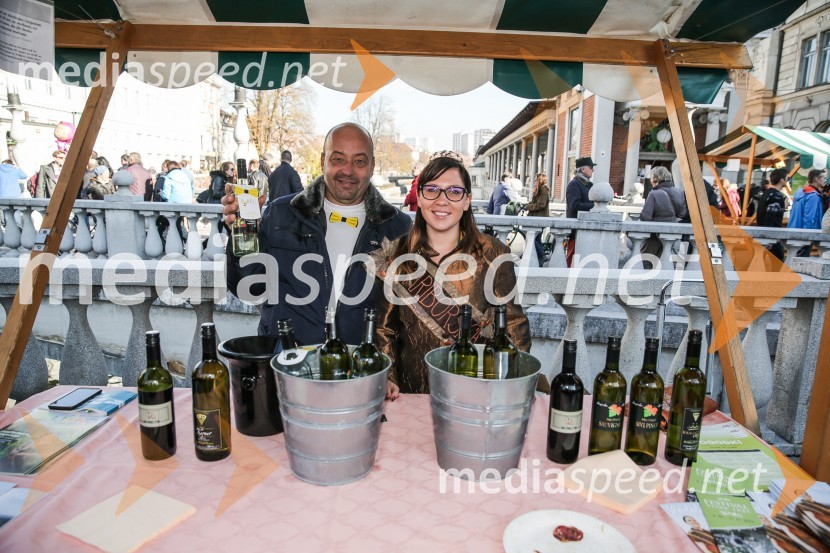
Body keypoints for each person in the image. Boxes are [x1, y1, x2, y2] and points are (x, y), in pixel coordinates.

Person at [224, 123, 412, 398]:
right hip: (288, 365)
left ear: (372, 166)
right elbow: (247, 287)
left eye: (359, 161)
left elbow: (404, 313)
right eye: (338, 159)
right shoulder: (281, 213)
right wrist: (239, 232)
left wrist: (391, 368)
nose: (348, 170)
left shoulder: (397, 226)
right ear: (323, 161)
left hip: (358, 372)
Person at [371, 152, 531, 397]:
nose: (442, 200)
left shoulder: (494, 253)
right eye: (432, 190)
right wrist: (388, 376)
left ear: (467, 201)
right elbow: (384, 330)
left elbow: (513, 327)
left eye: (454, 192)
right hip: (412, 396)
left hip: (478, 395)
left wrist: (513, 389)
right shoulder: (395, 256)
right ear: (420, 198)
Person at [639, 166, 688, 267]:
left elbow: (645, 217)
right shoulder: (680, 193)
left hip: (654, 236)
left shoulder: (653, 194)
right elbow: (682, 214)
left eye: (651, 178)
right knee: (663, 264)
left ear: (655, 179)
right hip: (672, 234)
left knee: (646, 262)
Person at [565, 157, 597, 266]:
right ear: (583, 170)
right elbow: (574, 206)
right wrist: (593, 206)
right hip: (576, 227)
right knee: (571, 256)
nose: (593, 170)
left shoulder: (587, 184)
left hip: (585, 226)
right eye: (591, 167)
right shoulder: (574, 184)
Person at [756, 168, 789, 261]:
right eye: (787, 178)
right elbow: (771, 216)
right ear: (782, 180)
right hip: (772, 236)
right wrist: (769, 239)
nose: (788, 181)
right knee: (777, 265)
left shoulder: (766, 193)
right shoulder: (776, 195)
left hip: (762, 233)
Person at [525, 172, 550, 261]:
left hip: (539, 218)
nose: (534, 181)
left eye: (536, 180)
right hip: (536, 218)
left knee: (531, 238)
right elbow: (534, 202)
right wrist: (526, 205)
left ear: (540, 180)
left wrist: (528, 207)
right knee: (537, 239)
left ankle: (542, 255)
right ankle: (540, 258)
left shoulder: (543, 190)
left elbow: (541, 205)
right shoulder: (538, 189)